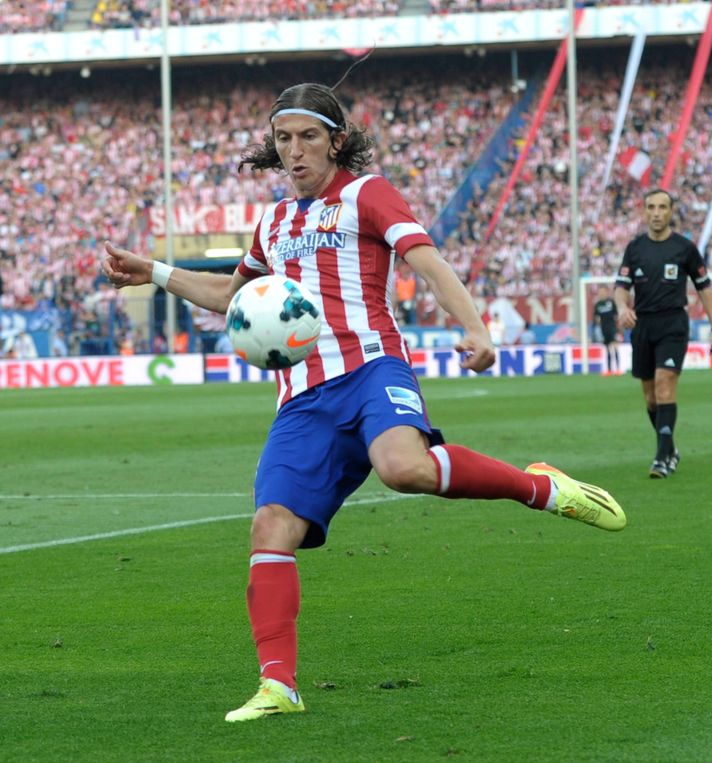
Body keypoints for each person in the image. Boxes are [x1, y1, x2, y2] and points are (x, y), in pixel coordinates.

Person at [102, 80, 626, 724]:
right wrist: (154, 272)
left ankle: (541, 487)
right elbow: (229, 296)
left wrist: (475, 327)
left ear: (337, 141)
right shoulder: (273, 222)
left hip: (371, 368)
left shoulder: (367, 194)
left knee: (404, 468)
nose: (294, 151)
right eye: (283, 139)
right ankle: (278, 686)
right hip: (302, 398)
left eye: (308, 137)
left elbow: (427, 261)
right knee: (270, 527)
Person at [614, 188, 712, 479]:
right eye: (651, 207)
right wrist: (622, 308)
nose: (657, 213)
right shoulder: (635, 248)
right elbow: (621, 287)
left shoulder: (684, 248)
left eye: (663, 207)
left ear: (671, 211)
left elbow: (704, 288)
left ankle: (662, 458)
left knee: (665, 384)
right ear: (644, 211)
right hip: (642, 326)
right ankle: (670, 448)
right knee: (651, 398)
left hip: (673, 324)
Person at [592, 286, 620, 375]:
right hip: (604, 329)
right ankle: (609, 370)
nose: (602, 293)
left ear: (606, 292)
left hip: (613, 328)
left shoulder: (611, 302)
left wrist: (618, 329)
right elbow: (596, 318)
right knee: (607, 349)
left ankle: (618, 369)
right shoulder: (597, 305)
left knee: (614, 347)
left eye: (603, 291)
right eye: (600, 292)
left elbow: (616, 316)